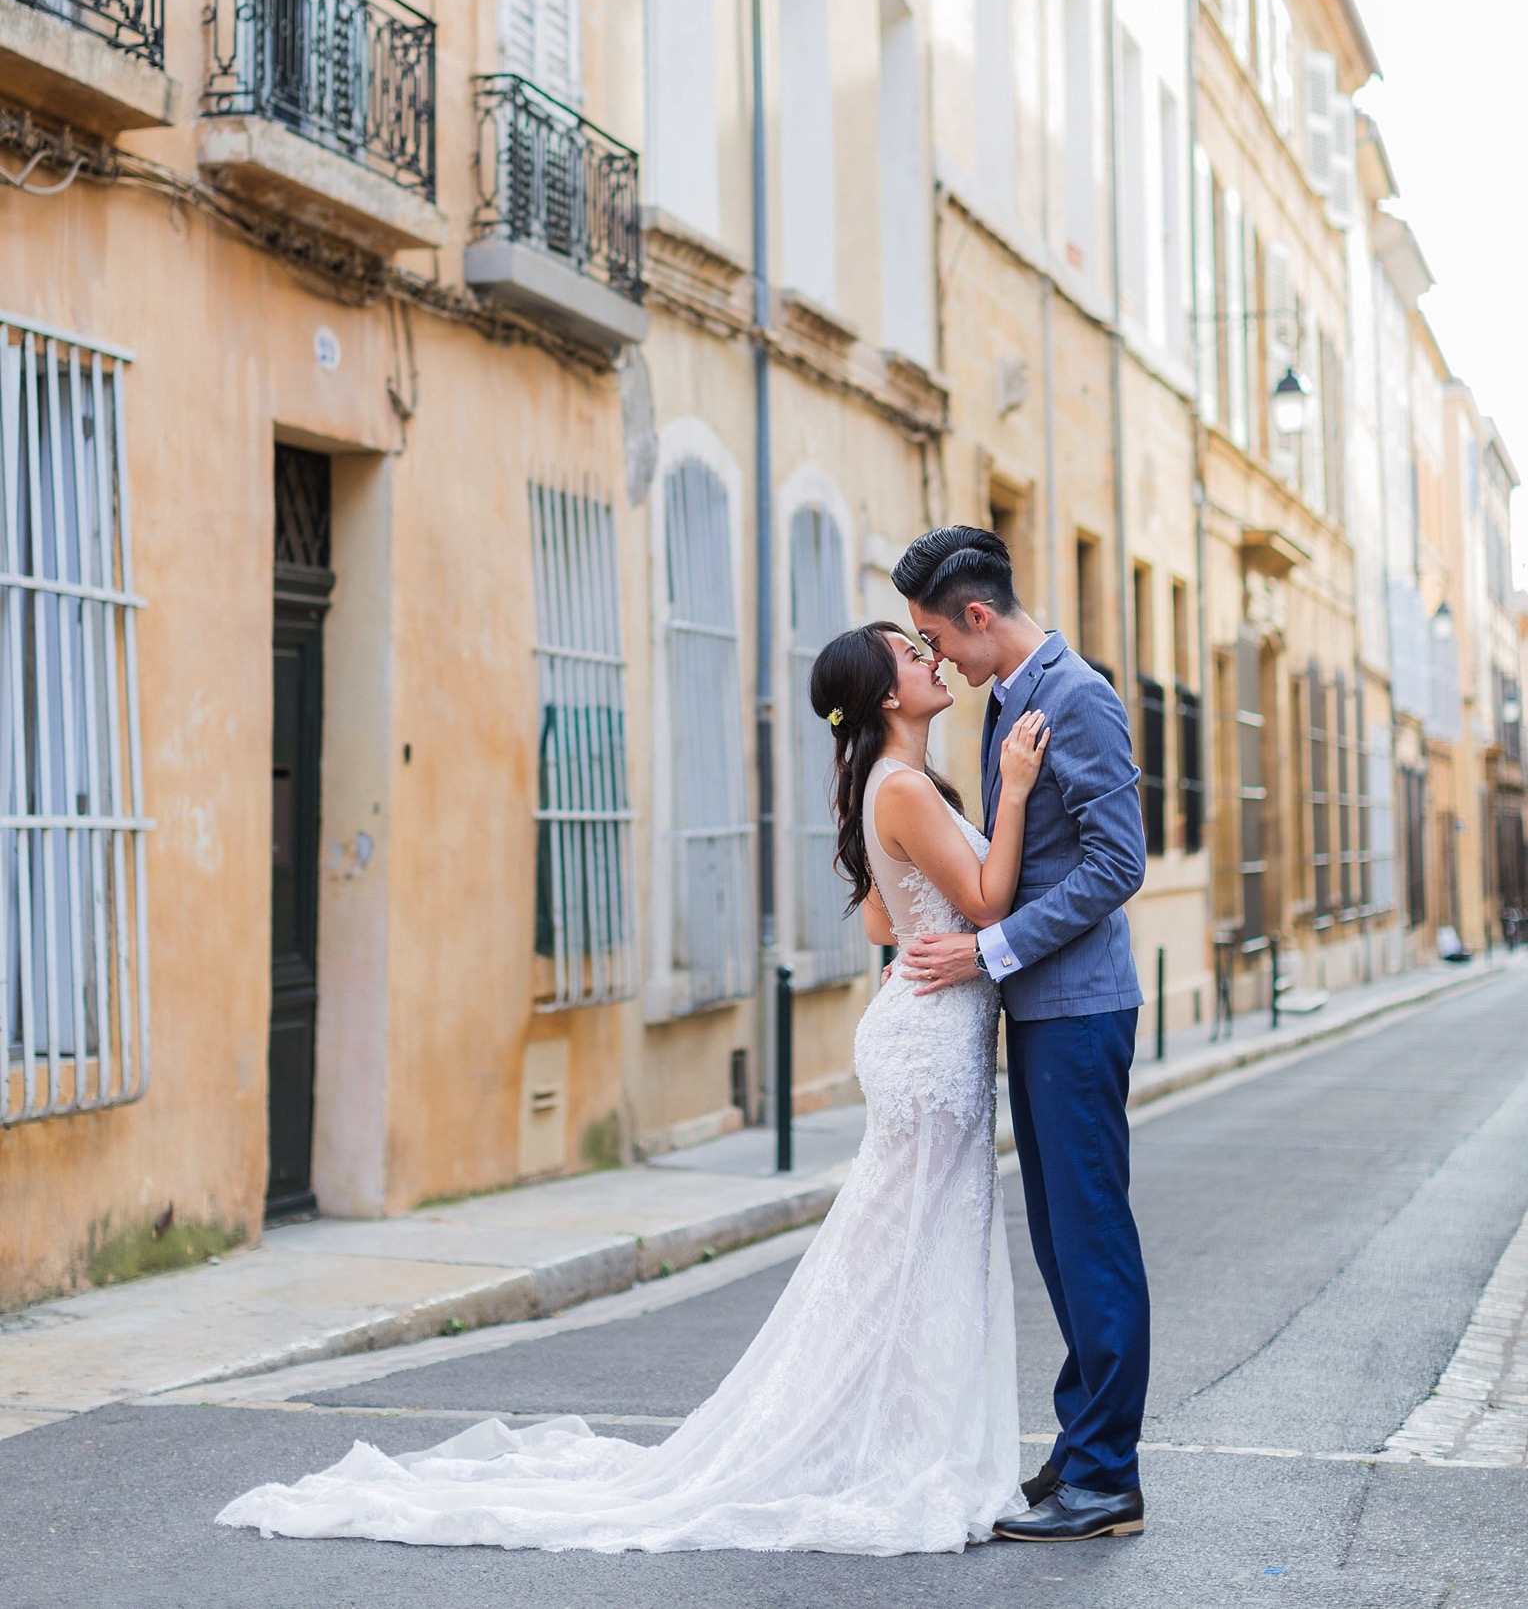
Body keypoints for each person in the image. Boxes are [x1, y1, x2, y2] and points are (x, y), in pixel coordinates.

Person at [218, 622, 1049, 1558]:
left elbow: (876, 924)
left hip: (921, 1033)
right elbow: (985, 901)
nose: (931, 657)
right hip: (930, 1048)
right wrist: (1013, 793)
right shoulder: (902, 787)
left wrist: (933, 918)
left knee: (903, 1253)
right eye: (911, 653)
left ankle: (889, 1443)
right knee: (919, 1250)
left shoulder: (893, 787)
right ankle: (899, 1452)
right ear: (887, 696)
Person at [890, 524, 1151, 1543]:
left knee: (1089, 1239)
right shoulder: (1010, 695)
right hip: (1045, 1009)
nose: (933, 659)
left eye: (934, 637)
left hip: (1078, 1006)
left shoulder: (1074, 696)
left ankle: (1107, 1477)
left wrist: (990, 954)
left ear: (978, 616)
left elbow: (1114, 864)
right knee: (1058, 1237)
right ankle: (1081, 1445)